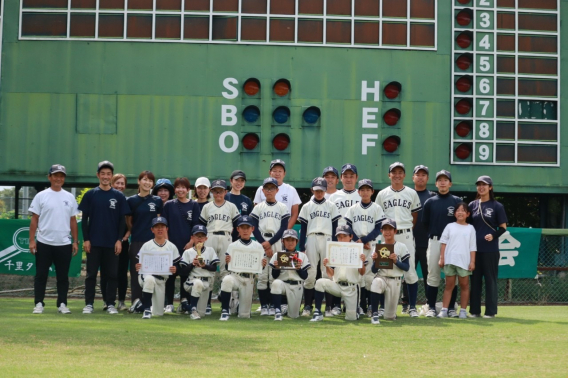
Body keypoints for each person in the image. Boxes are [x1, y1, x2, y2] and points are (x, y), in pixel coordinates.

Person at [79, 161, 129, 315]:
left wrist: (119, 240)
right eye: (103, 174)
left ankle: (110, 303)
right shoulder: (90, 194)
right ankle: (89, 304)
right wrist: (86, 239)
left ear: (111, 176)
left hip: (112, 243)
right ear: (98, 175)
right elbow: (84, 219)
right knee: (91, 274)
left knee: (112, 275)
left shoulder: (118, 196)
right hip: (94, 243)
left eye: (108, 174)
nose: (106, 176)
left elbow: (122, 221)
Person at [29, 164, 79, 314]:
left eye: (61, 176)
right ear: (49, 177)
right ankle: (39, 303)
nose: (58, 178)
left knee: (63, 277)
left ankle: (62, 304)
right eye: (55, 175)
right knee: (41, 275)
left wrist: (75, 241)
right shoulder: (41, 196)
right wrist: (32, 240)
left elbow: (73, 221)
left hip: (64, 243)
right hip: (44, 242)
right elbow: (34, 219)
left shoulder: (69, 197)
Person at [375, 162, 421, 317]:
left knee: (410, 271)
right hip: (387, 234)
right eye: (394, 172)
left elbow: (415, 215)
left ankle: (412, 307)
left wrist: (407, 228)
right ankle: (382, 307)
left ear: (405, 175)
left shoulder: (411, 193)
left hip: (405, 233)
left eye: (400, 172)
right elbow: (378, 215)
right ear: (389, 175)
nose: (397, 175)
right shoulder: (382, 194)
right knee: (383, 267)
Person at [421, 170, 462, 317]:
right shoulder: (430, 202)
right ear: (436, 183)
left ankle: (451, 308)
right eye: (440, 180)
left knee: (452, 276)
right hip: (435, 241)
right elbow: (425, 223)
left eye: (446, 180)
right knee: (433, 275)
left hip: (453, 243)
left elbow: (462, 221)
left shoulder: (457, 201)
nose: (443, 182)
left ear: (450, 183)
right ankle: (431, 307)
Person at [299, 177, 340, 317]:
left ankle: (328, 307)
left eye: (321, 190)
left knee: (326, 272)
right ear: (312, 190)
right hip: (311, 238)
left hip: (328, 238)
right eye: (316, 190)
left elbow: (335, 227)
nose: (319, 193)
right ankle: (308, 306)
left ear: (325, 190)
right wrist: (301, 247)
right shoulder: (307, 206)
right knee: (310, 273)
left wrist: (334, 245)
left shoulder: (331, 205)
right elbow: (303, 228)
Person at [344, 179, 385, 317]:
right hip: (356, 245)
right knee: (357, 276)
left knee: (370, 277)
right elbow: (348, 227)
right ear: (359, 191)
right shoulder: (353, 208)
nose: (365, 192)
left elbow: (378, 228)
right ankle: (359, 306)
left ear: (372, 192)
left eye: (368, 189)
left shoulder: (377, 208)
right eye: (363, 189)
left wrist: (365, 240)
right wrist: (359, 241)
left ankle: (370, 307)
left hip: (371, 244)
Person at [468, 176, 507, 318]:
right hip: (474, 250)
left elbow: (503, 228)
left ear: (490, 187)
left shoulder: (497, 206)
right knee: (475, 281)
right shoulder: (472, 205)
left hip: (490, 249)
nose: (481, 187)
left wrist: (493, 235)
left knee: (490, 280)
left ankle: (490, 312)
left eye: (484, 184)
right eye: (479, 184)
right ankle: (474, 311)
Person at [310, 225, 366, 322]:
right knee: (320, 282)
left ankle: (354, 309)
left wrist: (362, 263)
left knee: (351, 318)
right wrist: (327, 266)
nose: (341, 239)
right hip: (337, 285)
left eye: (344, 236)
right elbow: (331, 275)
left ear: (351, 236)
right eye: (339, 237)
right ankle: (317, 312)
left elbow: (362, 273)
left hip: (351, 288)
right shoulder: (334, 250)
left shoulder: (357, 250)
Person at [162, 177, 202, 313]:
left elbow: (196, 226)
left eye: (183, 187)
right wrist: (167, 244)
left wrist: (191, 243)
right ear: (175, 190)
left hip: (188, 246)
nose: (180, 190)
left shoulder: (194, 205)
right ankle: (169, 303)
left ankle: (184, 303)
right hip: (171, 245)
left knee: (186, 274)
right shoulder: (168, 205)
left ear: (188, 190)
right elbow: (164, 226)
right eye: (178, 187)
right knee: (170, 275)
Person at [199, 179, 241, 309]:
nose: (218, 194)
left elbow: (238, 225)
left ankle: (226, 304)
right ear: (211, 192)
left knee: (225, 271)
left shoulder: (231, 206)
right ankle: (207, 304)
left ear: (225, 192)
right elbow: (201, 225)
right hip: (210, 236)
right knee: (208, 270)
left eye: (221, 191)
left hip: (226, 237)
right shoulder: (207, 207)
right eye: (215, 191)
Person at [250, 177, 290, 315]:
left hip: (277, 242)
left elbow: (283, 228)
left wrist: (270, 244)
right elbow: (253, 227)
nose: (269, 190)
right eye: (266, 188)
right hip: (261, 241)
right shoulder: (258, 207)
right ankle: (264, 306)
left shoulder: (282, 207)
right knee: (262, 277)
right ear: (263, 190)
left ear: (277, 190)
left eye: (272, 188)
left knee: (275, 276)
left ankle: (274, 305)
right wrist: (264, 244)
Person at [126, 171, 163, 312]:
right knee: (136, 272)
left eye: (150, 181)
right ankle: (136, 302)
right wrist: (136, 230)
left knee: (153, 272)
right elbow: (129, 221)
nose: (147, 183)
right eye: (145, 180)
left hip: (153, 243)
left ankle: (151, 303)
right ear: (139, 181)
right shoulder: (131, 200)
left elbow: (159, 221)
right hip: (137, 241)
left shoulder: (157, 200)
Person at [219, 216, 267, 320]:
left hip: (249, 279)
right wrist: (227, 262)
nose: (245, 230)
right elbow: (228, 268)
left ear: (252, 229)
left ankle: (236, 305)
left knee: (244, 315)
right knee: (227, 280)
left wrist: (262, 265)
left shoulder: (258, 246)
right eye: (242, 227)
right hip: (235, 277)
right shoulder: (232, 245)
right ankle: (225, 310)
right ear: (238, 229)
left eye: (247, 227)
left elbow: (260, 269)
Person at [328, 163, 361, 313]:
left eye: (351, 176)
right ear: (340, 178)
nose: (348, 179)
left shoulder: (361, 195)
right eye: (345, 176)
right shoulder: (334, 196)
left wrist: (360, 239)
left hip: (354, 239)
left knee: (354, 273)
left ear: (356, 178)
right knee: (337, 271)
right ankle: (335, 305)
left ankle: (356, 305)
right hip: (338, 238)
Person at [401, 165, 434, 315]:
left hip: (427, 243)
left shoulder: (432, 196)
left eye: (423, 175)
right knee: (406, 272)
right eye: (417, 174)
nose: (420, 177)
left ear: (427, 178)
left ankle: (429, 304)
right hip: (408, 241)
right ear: (412, 177)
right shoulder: (406, 194)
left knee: (429, 275)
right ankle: (406, 303)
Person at [134, 217, 180, 319]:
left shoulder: (171, 246)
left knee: (158, 313)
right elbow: (139, 262)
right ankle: (146, 310)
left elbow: (177, 265)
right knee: (150, 280)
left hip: (161, 279)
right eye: (157, 227)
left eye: (162, 227)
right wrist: (137, 266)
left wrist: (175, 269)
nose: (160, 229)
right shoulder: (147, 245)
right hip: (147, 276)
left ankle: (140, 306)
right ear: (152, 230)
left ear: (166, 229)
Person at [437, 202, 476, 319]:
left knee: (464, 285)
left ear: (468, 214)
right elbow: (443, 243)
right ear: (454, 213)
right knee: (449, 286)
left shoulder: (471, 228)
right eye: (458, 210)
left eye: (463, 210)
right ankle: (444, 310)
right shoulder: (449, 226)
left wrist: (472, 261)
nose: (460, 212)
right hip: (450, 260)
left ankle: (463, 311)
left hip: (464, 262)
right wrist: (441, 258)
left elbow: (472, 247)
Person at [369, 219, 410, 324]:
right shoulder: (378, 247)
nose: (387, 232)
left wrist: (396, 261)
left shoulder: (401, 247)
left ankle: (390, 312)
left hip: (395, 280)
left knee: (389, 317)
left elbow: (406, 267)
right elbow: (374, 270)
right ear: (381, 231)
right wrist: (375, 260)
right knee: (375, 282)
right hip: (381, 277)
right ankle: (374, 314)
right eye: (385, 229)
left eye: (390, 229)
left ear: (395, 231)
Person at [100, 173, 131, 311]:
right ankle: (106, 300)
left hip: (123, 243)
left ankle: (121, 301)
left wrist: (124, 237)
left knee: (122, 273)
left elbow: (130, 223)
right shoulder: (106, 199)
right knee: (106, 273)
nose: (120, 186)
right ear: (112, 183)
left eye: (122, 183)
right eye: (117, 183)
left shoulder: (127, 201)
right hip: (106, 243)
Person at [178, 225, 219, 320]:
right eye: (197, 236)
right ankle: (192, 310)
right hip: (192, 281)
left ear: (206, 238)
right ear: (192, 238)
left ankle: (186, 306)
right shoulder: (188, 252)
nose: (200, 238)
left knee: (201, 313)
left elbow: (214, 268)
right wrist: (192, 264)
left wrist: (205, 266)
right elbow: (182, 272)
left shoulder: (210, 250)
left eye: (202, 236)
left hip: (206, 283)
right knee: (198, 283)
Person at [270, 229, 310, 320]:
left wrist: (299, 269)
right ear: (283, 241)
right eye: (287, 240)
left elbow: (305, 276)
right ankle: (277, 311)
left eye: (292, 240)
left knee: (293, 315)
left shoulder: (302, 255)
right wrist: (276, 268)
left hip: (297, 286)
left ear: (297, 241)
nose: (290, 242)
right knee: (276, 283)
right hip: (283, 284)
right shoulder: (278, 255)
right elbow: (274, 276)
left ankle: (285, 308)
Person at [253, 159, 301, 229]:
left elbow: (294, 214)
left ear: (284, 173)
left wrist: (285, 231)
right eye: (274, 171)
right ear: (270, 172)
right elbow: (256, 213)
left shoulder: (291, 189)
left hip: (283, 231)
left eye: (280, 171)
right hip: (264, 230)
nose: (277, 174)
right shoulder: (261, 189)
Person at [225, 170, 253, 241]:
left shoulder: (247, 200)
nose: (239, 183)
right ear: (231, 181)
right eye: (237, 180)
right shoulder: (225, 197)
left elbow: (250, 220)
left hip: (241, 237)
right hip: (226, 235)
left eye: (242, 181)